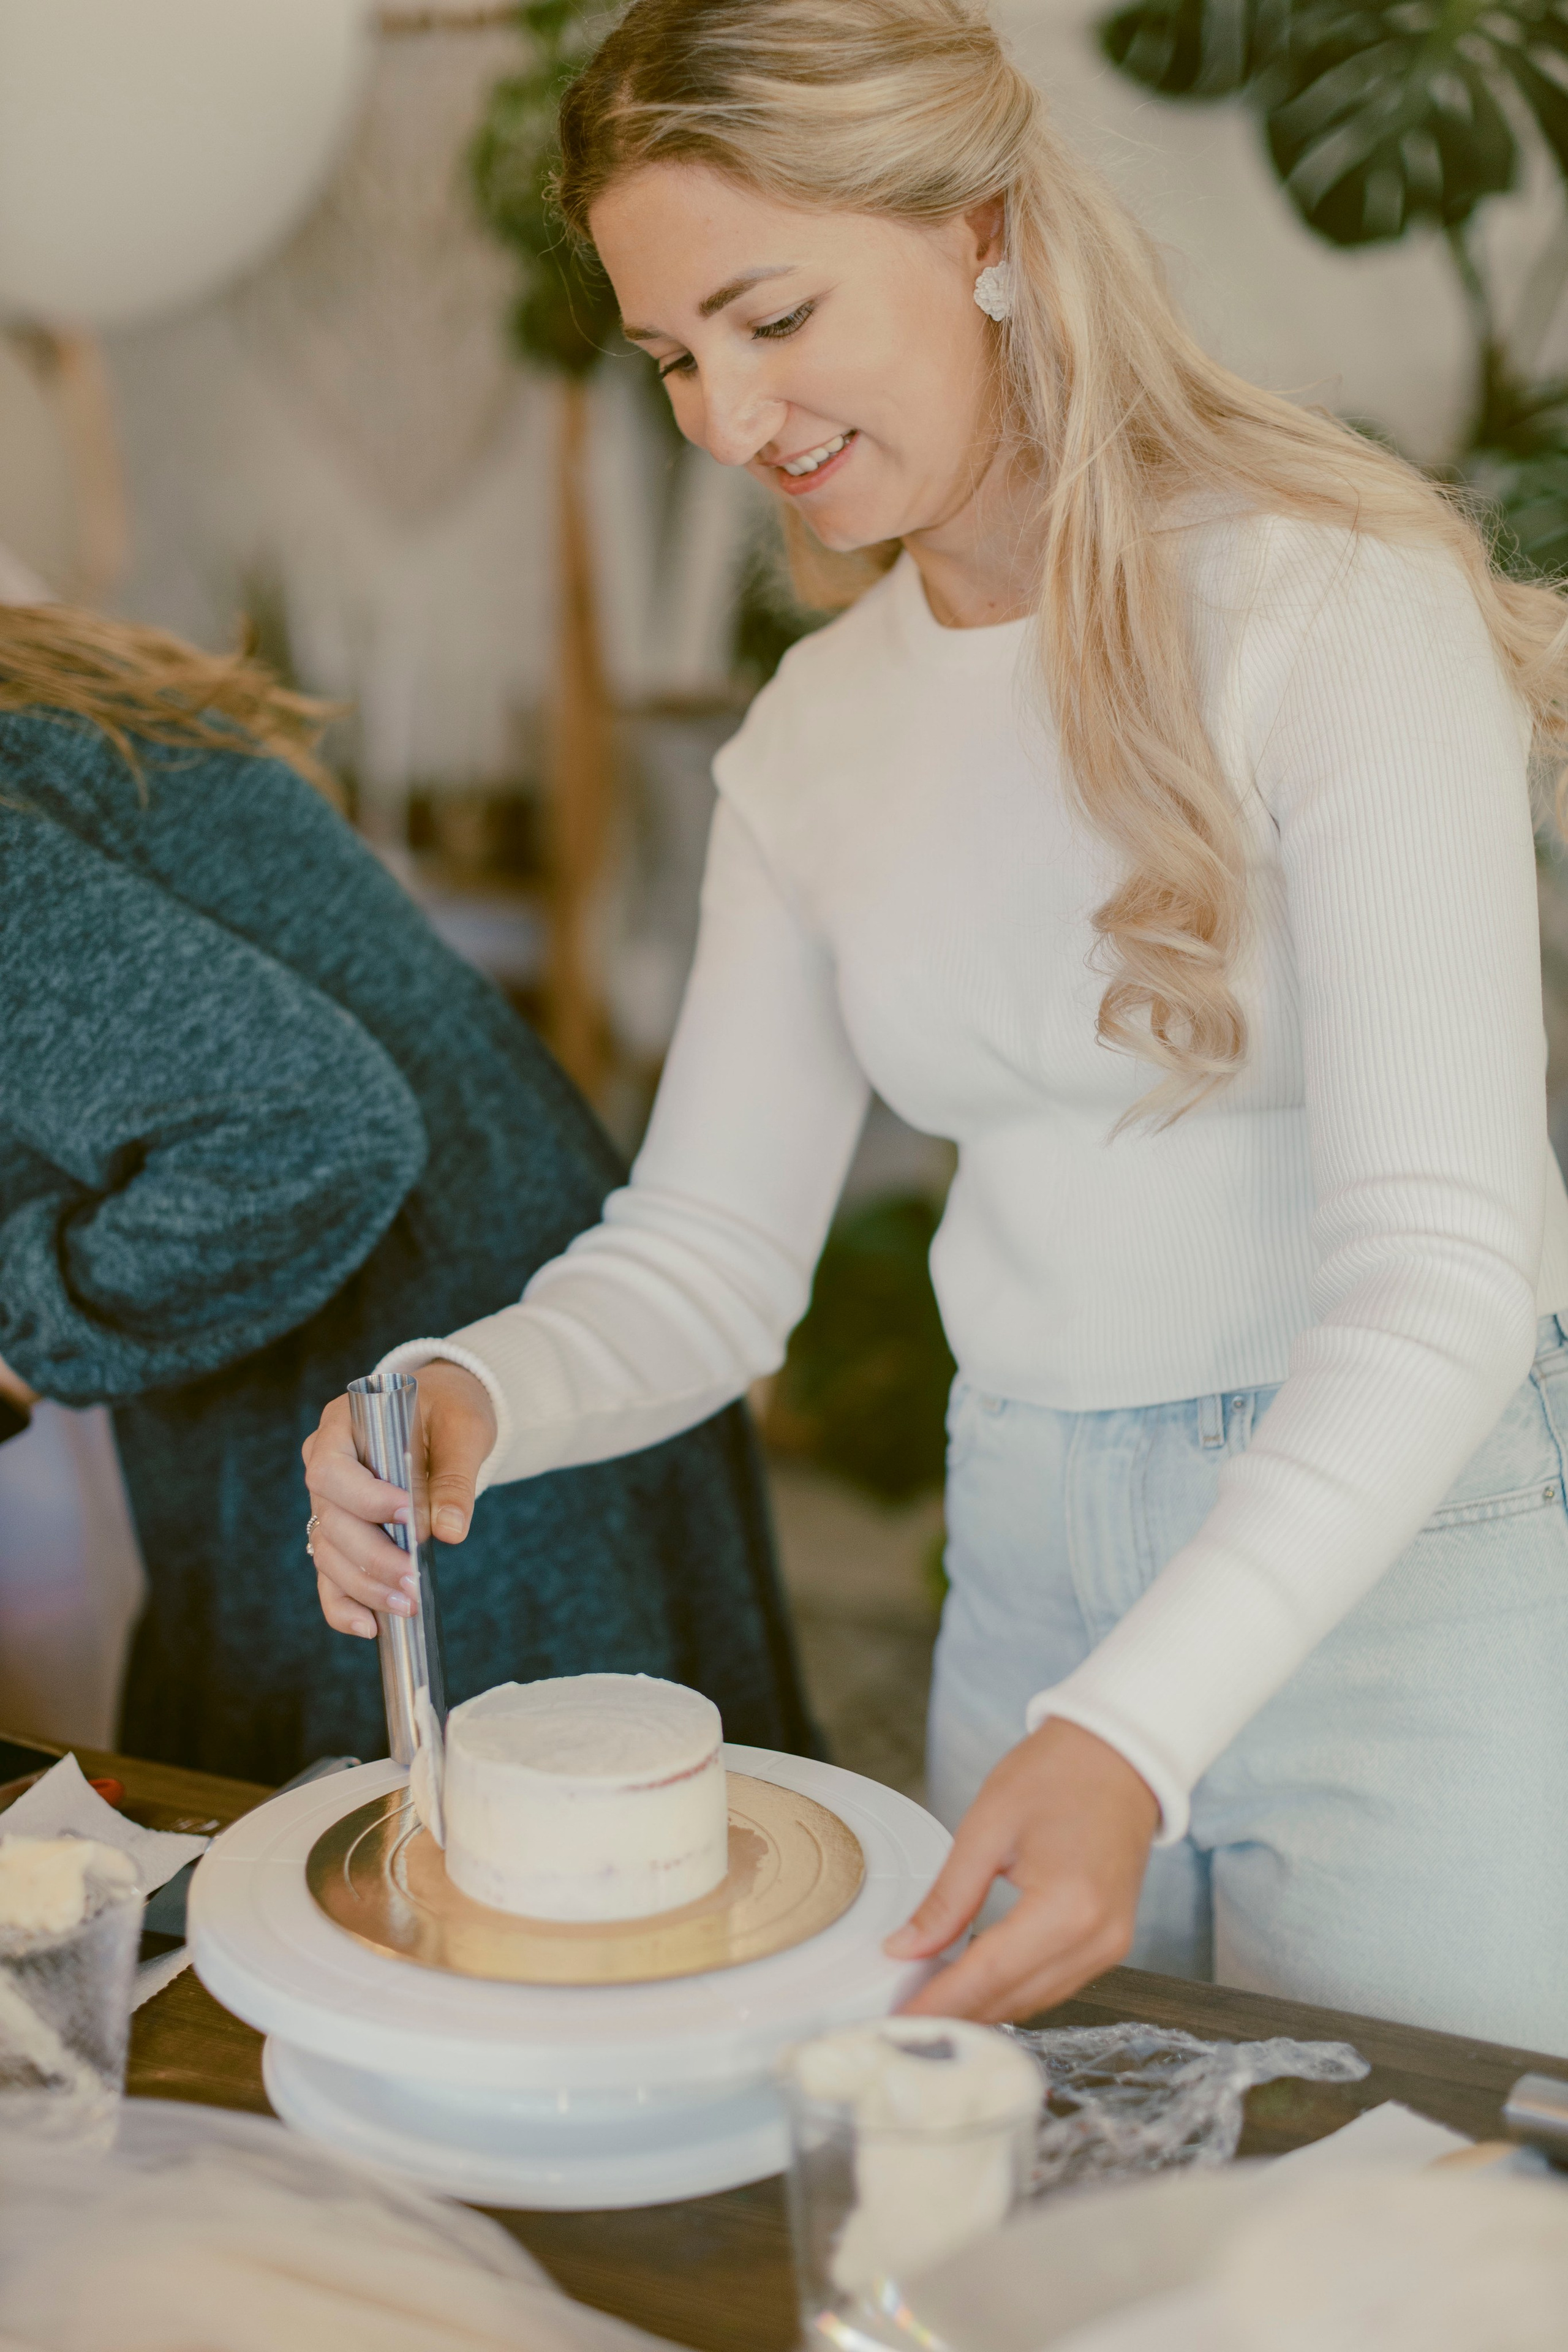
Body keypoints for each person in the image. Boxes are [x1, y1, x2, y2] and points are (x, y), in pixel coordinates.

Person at [305, 0, 1568, 2052]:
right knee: (1036, 2229)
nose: (728, 416)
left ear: (977, 226)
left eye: (772, 315)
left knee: (1426, 2249)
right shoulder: (817, 740)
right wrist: (478, 1394)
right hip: (1027, 1573)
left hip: (1401, 1588)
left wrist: (1130, 1733)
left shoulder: (1339, 604)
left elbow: (1442, 1276)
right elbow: (709, 1257)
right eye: (676, 358)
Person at [0, 601, 813, 1784]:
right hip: (491, 1268)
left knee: (488, 1885)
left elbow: (306, 1131)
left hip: (421, 1373)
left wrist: (21, 1339)